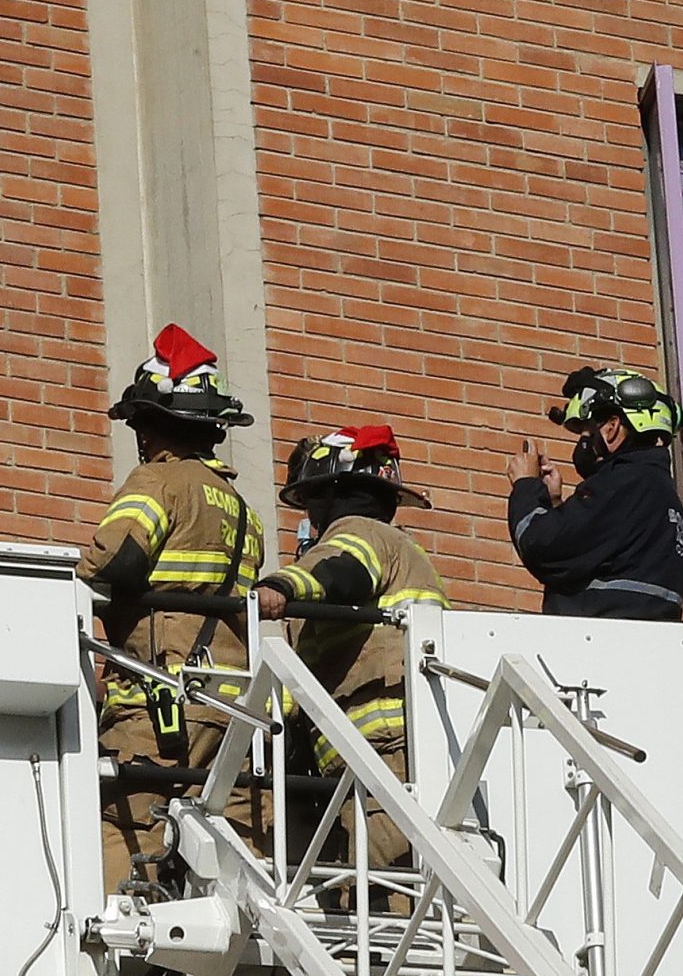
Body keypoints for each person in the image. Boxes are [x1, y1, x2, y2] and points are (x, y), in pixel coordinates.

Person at [79, 324, 266, 894]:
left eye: (140, 422)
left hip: (159, 707)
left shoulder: (158, 481)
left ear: (157, 423)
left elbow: (114, 564)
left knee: (125, 826)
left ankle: (113, 973)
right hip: (229, 710)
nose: (137, 434)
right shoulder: (242, 511)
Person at [255, 424, 447, 810]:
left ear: (332, 495)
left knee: (383, 864)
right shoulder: (400, 546)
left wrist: (279, 586)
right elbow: (305, 668)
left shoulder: (359, 531)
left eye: (312, 500)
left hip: (381, 749)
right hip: (377, 752)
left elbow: (341, 570)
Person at [507, 365, 683, 619]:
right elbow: (607, 560)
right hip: (636, 644)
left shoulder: (624, 483)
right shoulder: (659, 492)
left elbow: (544, 547)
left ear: (611, 428)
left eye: (586, 431)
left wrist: (526, 485)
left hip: (597, 646)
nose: (583, 444)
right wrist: (555, 503)